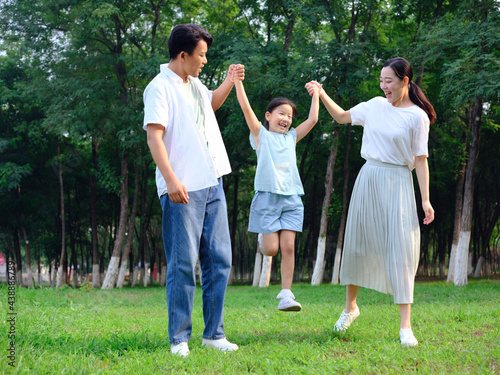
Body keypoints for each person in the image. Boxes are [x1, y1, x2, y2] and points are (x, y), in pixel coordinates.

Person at [307, 57, 435, 346]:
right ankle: (350, 308)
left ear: (405, 81)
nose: (383, 86)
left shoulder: (418, 117)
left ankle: (405, 327)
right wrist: (321, 92)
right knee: (358, 244)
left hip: (399, 182)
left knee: (403, 248)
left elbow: (421, 161)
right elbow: (341, 117)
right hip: (368, 179)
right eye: (381, 80)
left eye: (388, 80)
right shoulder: (374, 106)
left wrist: (425, 200)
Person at [143, 24, 244, 357]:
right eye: (201, 55)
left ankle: (214, 334)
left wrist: (229, 81)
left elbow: (210, 105)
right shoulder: (159, 88)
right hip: (182, 186)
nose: (204, 61)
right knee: (183, 263)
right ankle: (179, 339)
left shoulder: (196, 84)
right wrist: (170, 180)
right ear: (183, 55)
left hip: (212, 180)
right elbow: (154, 136)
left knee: (219, 259)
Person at [233, 68, 320, 311]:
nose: (286, 118)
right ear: (268, 116)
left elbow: (312, 120)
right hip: (267, 199)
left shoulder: (291, 137)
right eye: (281, 113)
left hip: (292, 198)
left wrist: (317, 95)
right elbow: (246, 110)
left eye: (290, 116)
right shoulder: (260, 135)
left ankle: (286, 294)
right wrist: (237, 83)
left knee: (289, 246)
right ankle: (264, 236)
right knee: (271, 249)